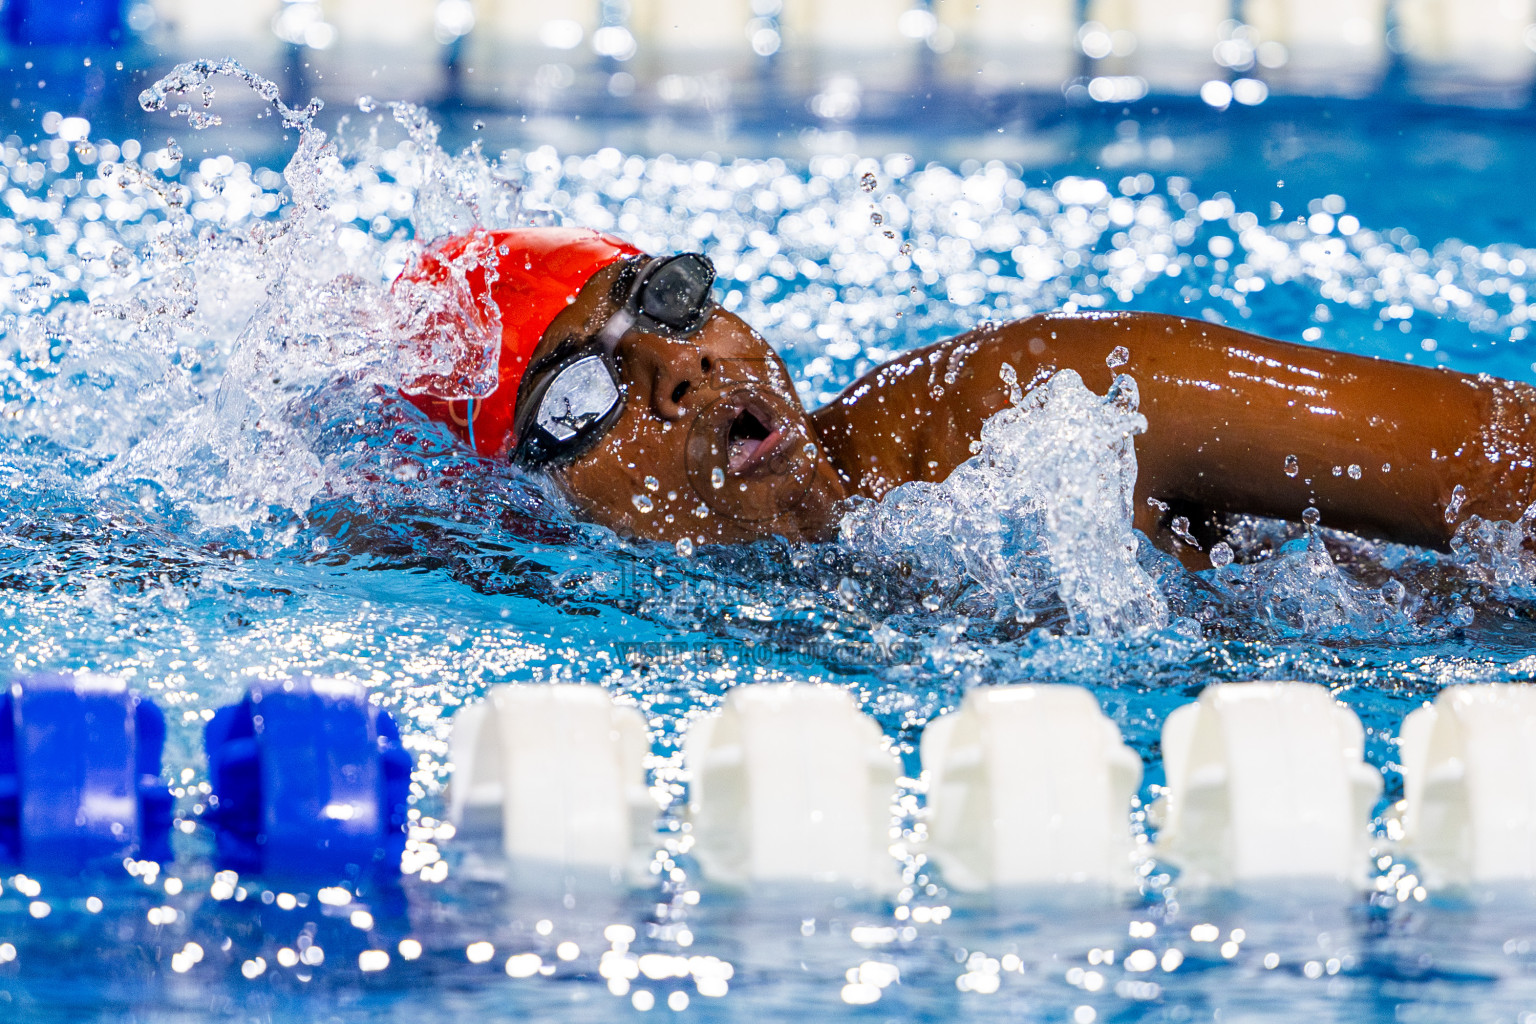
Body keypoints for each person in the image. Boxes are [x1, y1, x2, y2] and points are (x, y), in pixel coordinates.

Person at [393, 226, 1536, 567]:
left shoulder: (1051, 410)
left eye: (670, 301)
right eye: (580, 391)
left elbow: (1510, 464)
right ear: (521, 503)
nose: (679, 367)